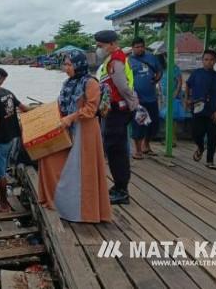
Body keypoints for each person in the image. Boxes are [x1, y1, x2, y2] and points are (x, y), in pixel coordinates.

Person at [39, 50, 112, 223]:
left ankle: (86, 212)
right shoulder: (67, 83)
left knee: (82, 171)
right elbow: (59, 105)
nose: (66, 68)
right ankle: (58, 203)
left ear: (78, 65)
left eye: (69, 64)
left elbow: (91, 110)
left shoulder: (90, 83)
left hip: (85, 131)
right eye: (65, 64)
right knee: (48, 158)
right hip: (68, 128)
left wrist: (70, 118)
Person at [95, 30, 139, 205]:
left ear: (112, 44)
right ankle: (119, 186)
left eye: (101, 46)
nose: (99, 49)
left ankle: (122, 190)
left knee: (116, 151)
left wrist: (133, 104)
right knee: (116, 149)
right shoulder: (114, 58)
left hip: (117, 111)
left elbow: (122, 86)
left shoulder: (115, 61)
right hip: (115, 110)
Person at [0, 70, 31, 212]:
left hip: (1, 138)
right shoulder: (8, 93)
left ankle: (3, 204)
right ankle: (2, 199)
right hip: (12, 136)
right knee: (4, 168)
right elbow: (23, 108)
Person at [186, 49, 216, 170]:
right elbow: (188, 85)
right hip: (198, 110)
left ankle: (210, 160)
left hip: (212, 112)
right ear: (202, 61)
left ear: (215, 61)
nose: (208, 62)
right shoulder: (196, 73)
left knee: (212, 137)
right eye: (206, 59)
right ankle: (200, 147)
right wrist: (187, 99)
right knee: (196, 134)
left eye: (211, 60)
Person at [128, 37, 161, 159]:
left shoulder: (151, 57)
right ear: (132, 48)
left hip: (152, 97)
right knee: (138, 124)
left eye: (141, 46)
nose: (140, 49)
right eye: (137, 47)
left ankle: (146, 145)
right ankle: (138, 150)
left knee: (153, 124)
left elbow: (159, 71)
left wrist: (156, 79)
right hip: (138, 99)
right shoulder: (129, 61)